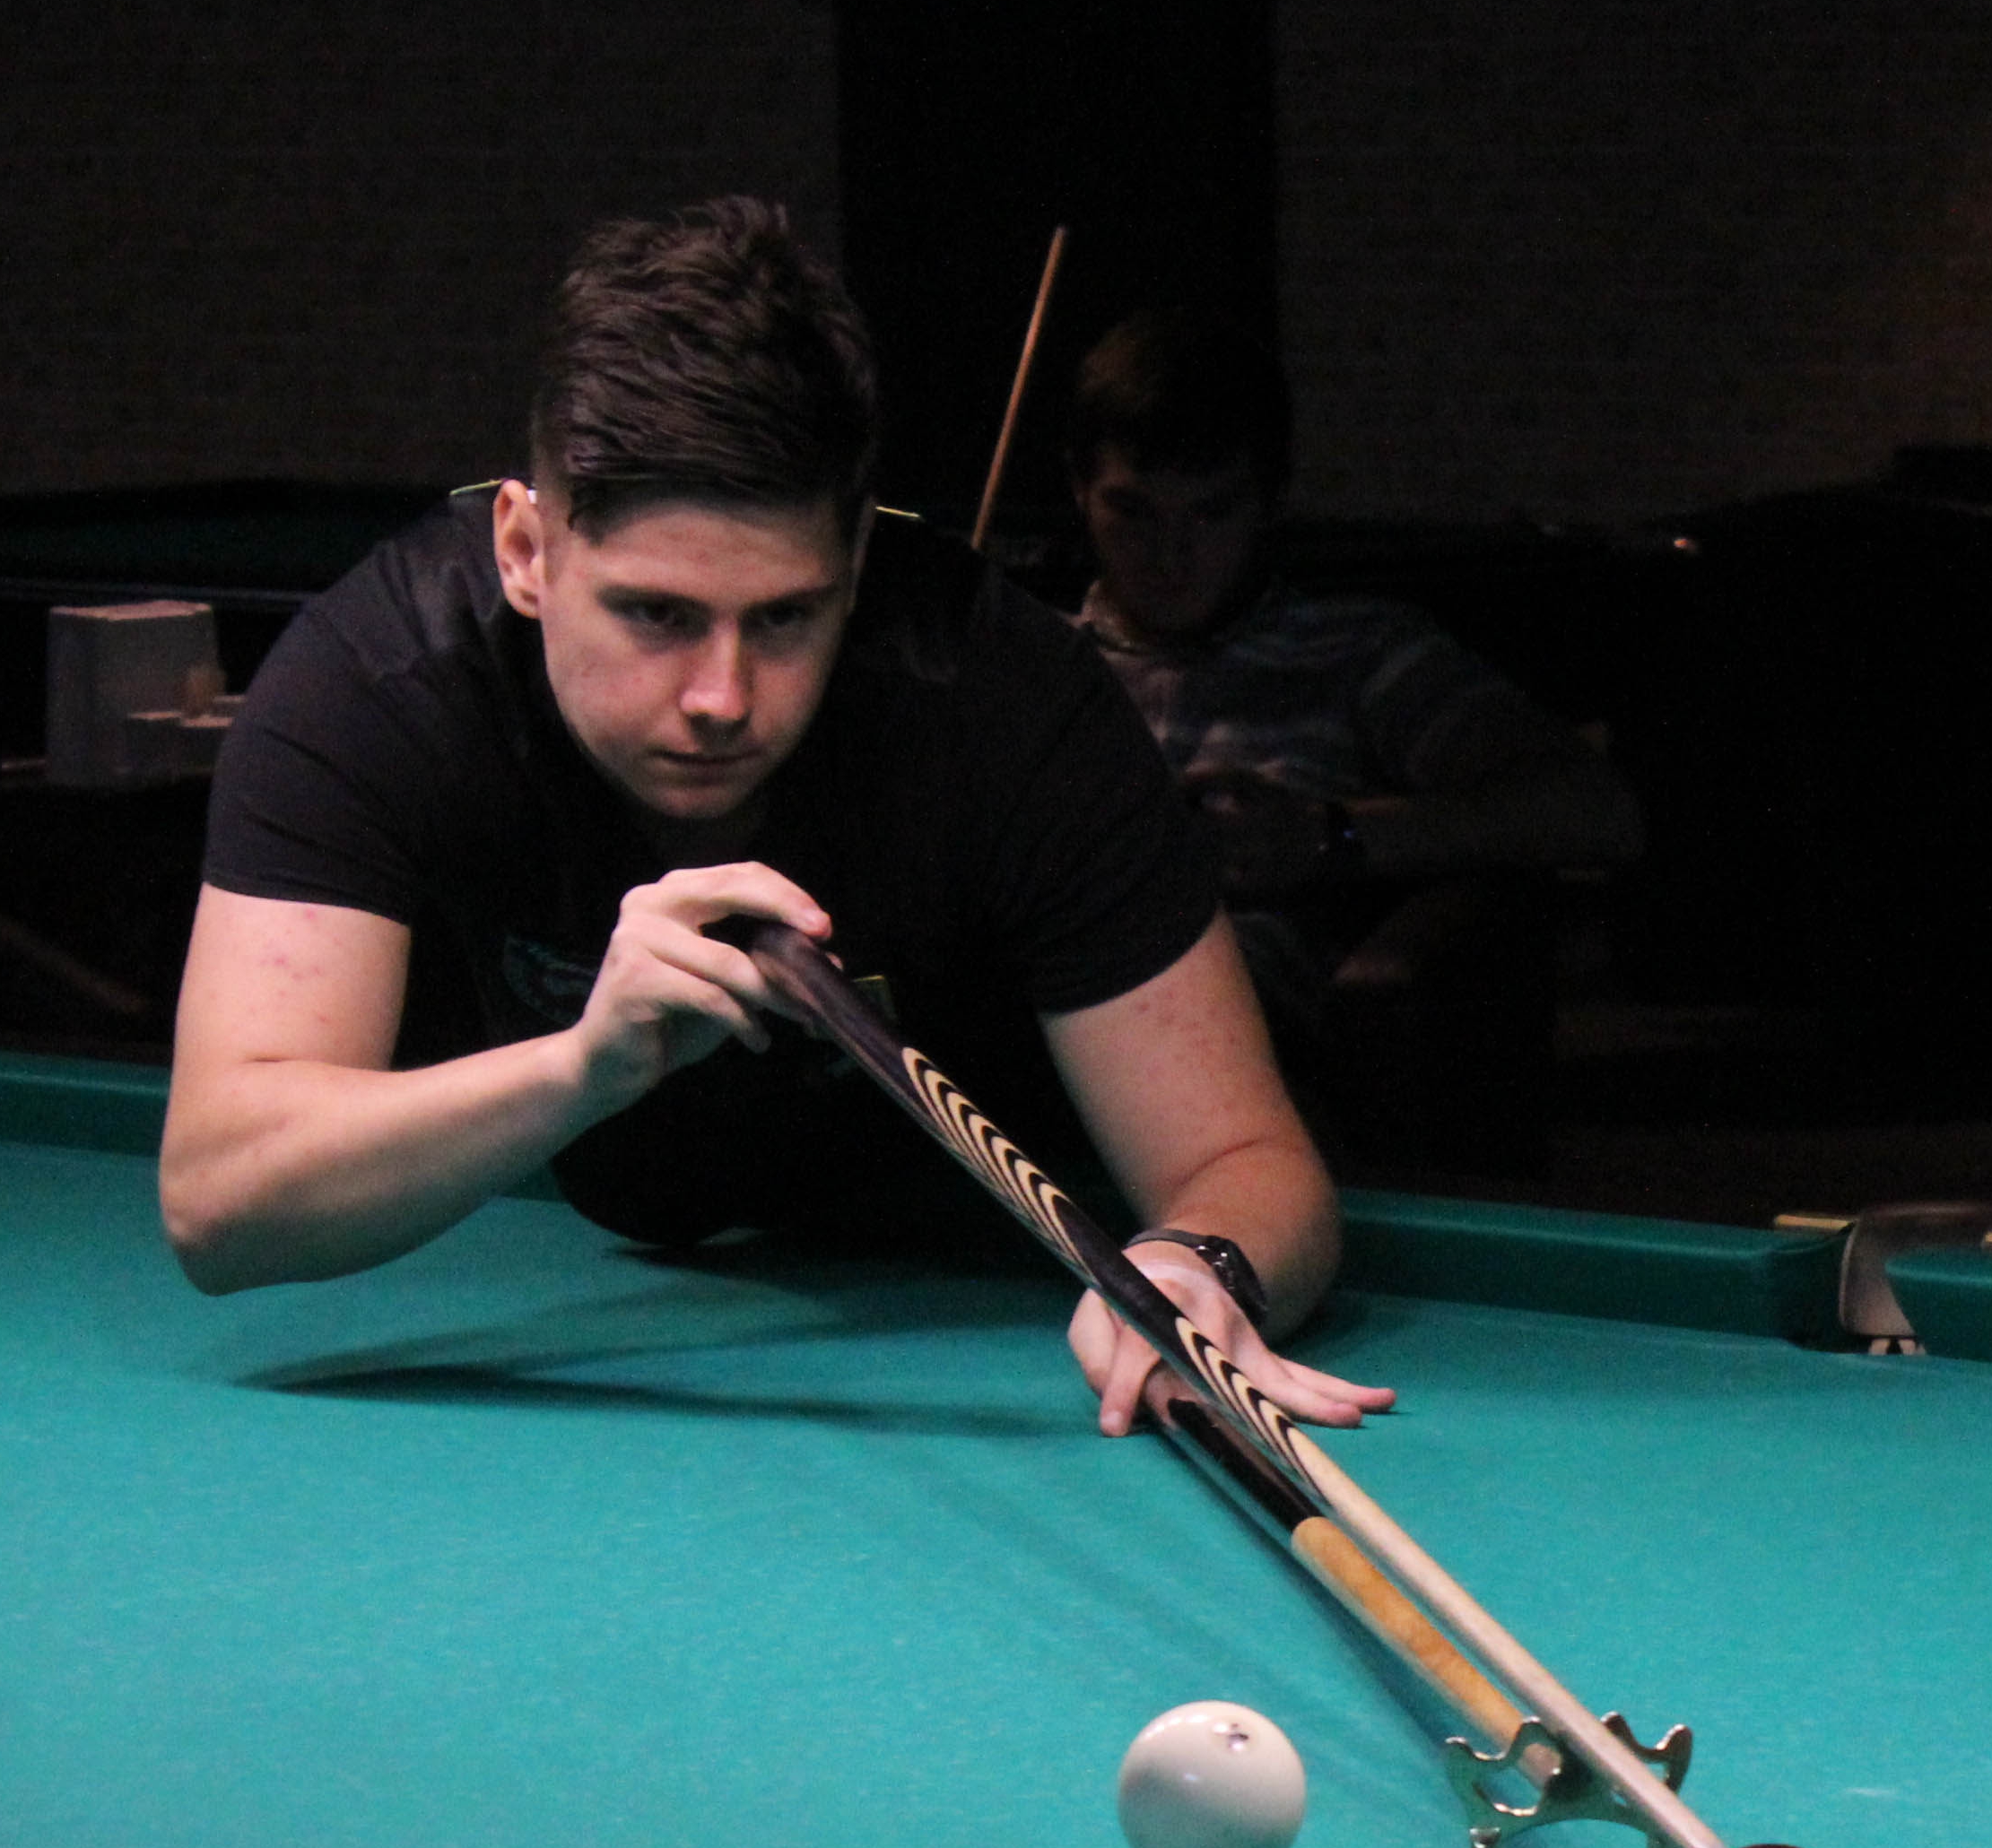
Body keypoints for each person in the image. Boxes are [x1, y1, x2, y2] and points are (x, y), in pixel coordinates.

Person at [161, 203, 1385, 1441]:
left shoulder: (1009, 703)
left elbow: (1251, 1163)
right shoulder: (380, 682)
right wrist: (583, 1068)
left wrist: (1199, 1266)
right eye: (656, 615)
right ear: (526, 549)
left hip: (992, 1292)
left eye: (788, 617)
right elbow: (219, 1199)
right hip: (635, 1223)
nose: (722, 699)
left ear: (855, 565)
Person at [1063, 311, 1637, 1171]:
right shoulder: (1032, 664)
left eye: (1212, 512)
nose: (1171, 555)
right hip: (1040, 1030)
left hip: (1243, 1064)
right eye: (1134, 512)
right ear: (1079, 490)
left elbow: (1596, 810)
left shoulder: (1358, 653)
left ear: (1270, 503)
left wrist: (1325, 834)